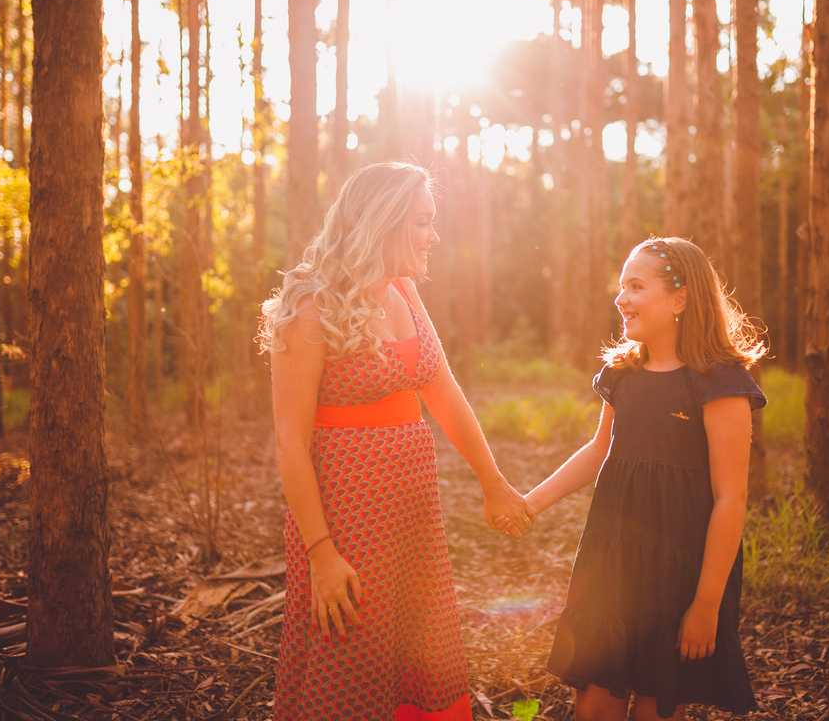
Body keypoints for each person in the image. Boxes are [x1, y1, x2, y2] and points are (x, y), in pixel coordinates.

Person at [260, 162, 535, 721]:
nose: (434, 236)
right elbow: (290, 443)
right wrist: (321, 553)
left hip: (413, 516)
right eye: (423, 222)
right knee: (349, 659)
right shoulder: (310, 308)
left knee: (416, 653)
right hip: (345, 519)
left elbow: (446, 395)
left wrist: (493, 483)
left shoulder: (404, 291)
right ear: (384, 223)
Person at [521, 237, 766, 721]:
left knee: (657, 703)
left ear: (679, 298)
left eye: (635, 286)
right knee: (594, 699)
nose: (621, 298)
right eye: (620, 287)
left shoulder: (718, 382)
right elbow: (599, 451)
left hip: (678, 571)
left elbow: (730, 497)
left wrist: (706, 604)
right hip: (611, 561)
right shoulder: (623, 373)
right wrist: (529, 504)